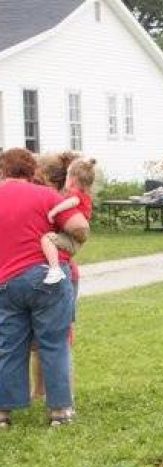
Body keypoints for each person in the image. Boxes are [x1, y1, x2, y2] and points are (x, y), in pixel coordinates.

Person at [0, 148, 88, 428]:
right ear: (32, 171)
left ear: (3, 171)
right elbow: (79, 226)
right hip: (47, 277)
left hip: (7, 281)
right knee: (54, 343)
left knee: (9, 344)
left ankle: (3, 412)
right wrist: (59, 239)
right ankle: (60, 411)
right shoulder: (47, 195)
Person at [40, 158, 96, 285]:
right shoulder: (84, 195)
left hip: (72, 238)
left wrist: (54, 211)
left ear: (73, 179)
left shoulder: (75, 194)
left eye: (67, 175)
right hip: (74, 238)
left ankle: (55, 269)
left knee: (47, 240)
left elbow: (73, 201)